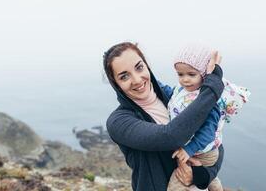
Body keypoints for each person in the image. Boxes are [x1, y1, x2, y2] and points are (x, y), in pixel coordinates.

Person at [103, 42, 224, 191]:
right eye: (124, 76)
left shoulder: (174, 97)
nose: (137, 79)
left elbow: (215, 142)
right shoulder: (119, 122)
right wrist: (213, 82)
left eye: (139, 67)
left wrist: (201, 175)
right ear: (116, 85)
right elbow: (171, 136)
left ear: (147, 66)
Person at [167, 44, 250, 191]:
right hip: (199, 151)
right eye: (180, 74)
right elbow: (172, 95)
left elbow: (208, 132)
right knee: (208, 178)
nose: (185, 80)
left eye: (191, 74)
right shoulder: (183, 91)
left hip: (202, 152)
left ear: (204, 74)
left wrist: (188, 150)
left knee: (176, 185)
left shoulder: (208, 100)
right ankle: (216, 187)